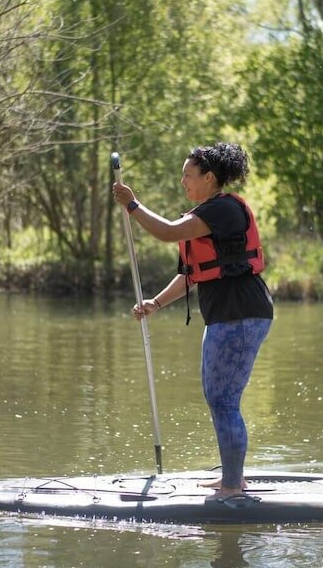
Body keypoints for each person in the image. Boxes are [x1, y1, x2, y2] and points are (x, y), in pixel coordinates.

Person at [111, 142, 274, 502]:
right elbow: (192, 275)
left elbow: (168, 231)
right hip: (226, 316)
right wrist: (155, 302)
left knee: (224, 399)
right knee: (219, 397)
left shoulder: (223, 210)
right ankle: (232, 478)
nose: (182, 181)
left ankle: (233, 485)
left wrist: (132, 205)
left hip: (241, 313)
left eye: (188, 175)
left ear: (209, 177)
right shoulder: (206, 215)